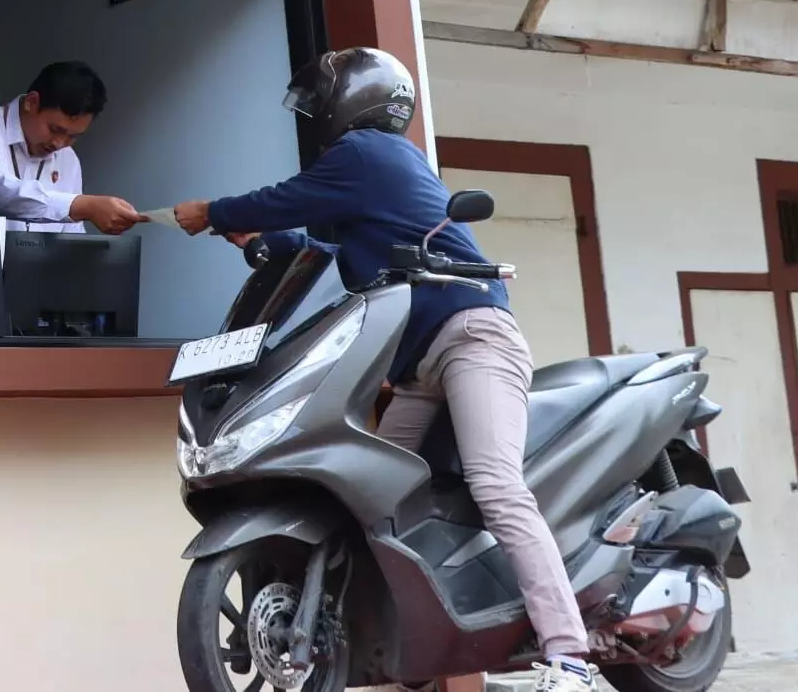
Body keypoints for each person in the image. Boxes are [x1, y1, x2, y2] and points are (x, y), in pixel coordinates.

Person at [171, 47, 597, 692]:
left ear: (355, 104)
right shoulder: (357, 179)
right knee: (369, 501)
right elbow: (314, 245)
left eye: (320, 103)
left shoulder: (370, 154)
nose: (312, 117)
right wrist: (251, 238)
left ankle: (570, 656)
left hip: (471, 335)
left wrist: (219, 211)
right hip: (419, 367)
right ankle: (410, 645)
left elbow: (285, 200)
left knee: (496, 485)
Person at [0, 61, 143, 236]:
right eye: (55, 129)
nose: (59, 143)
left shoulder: (68, 159)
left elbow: (72, 236)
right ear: (32, 102)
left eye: (73, 136)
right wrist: (82, 206)